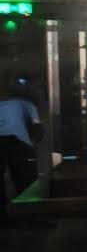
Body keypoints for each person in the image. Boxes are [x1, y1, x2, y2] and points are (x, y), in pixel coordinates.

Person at [0, 75, 42, 215]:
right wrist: (34, 146)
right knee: (27, 180)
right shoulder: (27, 104)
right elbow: (37, 128)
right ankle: (31, 215)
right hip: (16, 141)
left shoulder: (4, 104)